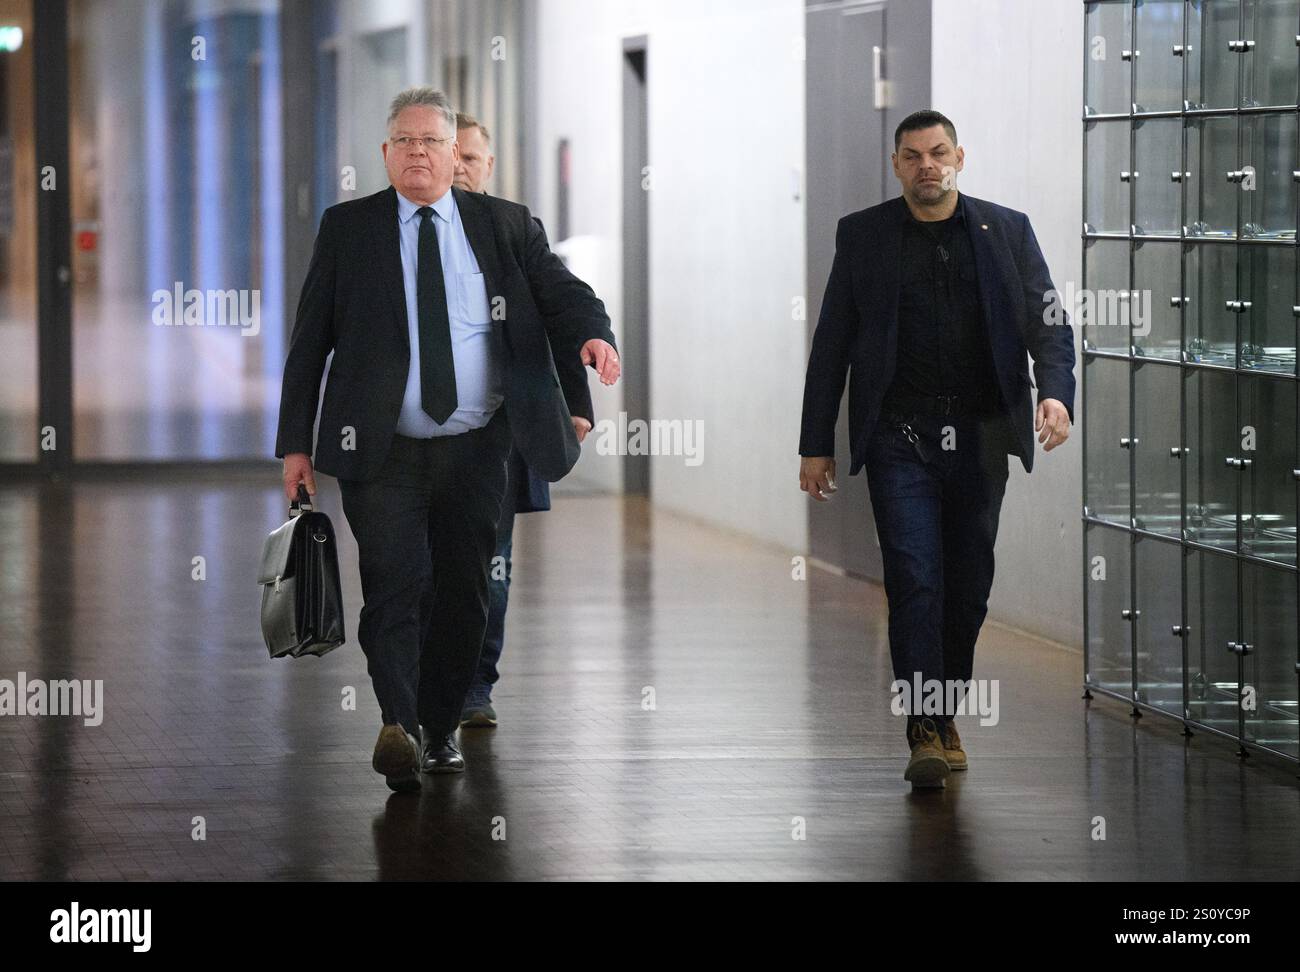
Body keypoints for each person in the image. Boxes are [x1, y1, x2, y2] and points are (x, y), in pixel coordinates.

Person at [276, 87, 620, 792]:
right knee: (395, 585)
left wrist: (593, 334)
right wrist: (295, 445)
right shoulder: (350, 229)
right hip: (383, 449)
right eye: (404, 142)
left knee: (467, 590)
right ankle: (397, 723)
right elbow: (310, 343)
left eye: (431, 142)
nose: (418, 155)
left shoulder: (503, 226)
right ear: (385, 153)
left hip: (476, 447)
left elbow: (560, 293)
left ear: (454, 154)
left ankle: (439, 730)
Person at [798, 109, 1075, 789]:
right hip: (901, 438)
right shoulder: (864, 236)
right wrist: (815, 445)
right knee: (915, 577)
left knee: (968, 585)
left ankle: (944, 708)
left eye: (939, 152)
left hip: (981, 436)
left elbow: (1050, 324)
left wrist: (1056, 393)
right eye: (914, 155)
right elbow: (832, 344)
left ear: (960, 157)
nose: (928, 165)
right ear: (897, 165)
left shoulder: (1005, 231)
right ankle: (924, 725)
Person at [451, 112, 594, 729]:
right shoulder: (400, 232)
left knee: (492, 562)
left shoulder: (515, 229)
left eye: (470, 158)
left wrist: (578, 402)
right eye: (447, 153)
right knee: (425, 564)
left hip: (501, 429)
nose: (458, 167)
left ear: (488, 166)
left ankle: (475, 686)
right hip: (420, 431)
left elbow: (558, 308)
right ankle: (428, 686)